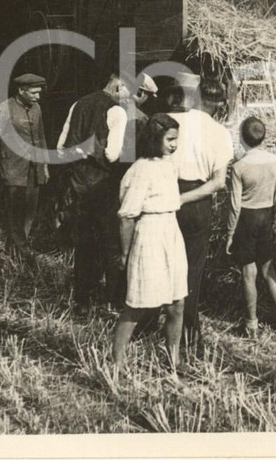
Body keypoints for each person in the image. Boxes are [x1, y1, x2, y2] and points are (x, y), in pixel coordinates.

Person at [112, 113, 188, 370]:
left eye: (176, 139)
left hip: (171, 232)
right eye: (169, 139)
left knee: (177, 303)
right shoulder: (140, 170)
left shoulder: (170, 165)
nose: (174, 145)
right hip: (149, 234)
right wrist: (126, 252)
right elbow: (126, 216)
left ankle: (173, 359)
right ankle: (118, 363)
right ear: (155, 139)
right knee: (139, 303)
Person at [166, 72, 234, 350]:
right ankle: (187, 334)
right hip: (197, 202)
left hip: (165, 195)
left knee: (160, 262)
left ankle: (146, 323)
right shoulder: (220, 132)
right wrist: (185, 198)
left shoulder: (169, 122)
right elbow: (218, 183)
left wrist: (173, 197)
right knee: (192, 270)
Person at [57, 71, 130, 314]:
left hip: (78, 183)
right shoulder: (117, 111)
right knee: (111, 244)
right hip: (103, 185)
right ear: (119, 86)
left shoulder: (77, 104)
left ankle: (82, 301)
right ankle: (113, 300)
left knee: (84, 244)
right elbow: (112, 154)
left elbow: (60, 149)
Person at [226, 117, 276, 338]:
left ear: (242, 138)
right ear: (263, 137)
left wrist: (230, 233)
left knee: (248, 274)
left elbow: (235, 205)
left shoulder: (239, 166)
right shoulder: (273, 162)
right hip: (266, 216)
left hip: (247, 218)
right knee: (269, 270)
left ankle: (251, 323)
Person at [0, 73, 49, 267]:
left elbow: (41, 137)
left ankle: (15, 252)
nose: (38, 96)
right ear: (21, 91)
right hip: (12, 169)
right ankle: (25, 253)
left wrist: (44, 166)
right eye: (34, 93)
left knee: (29, 212)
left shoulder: (36, 108)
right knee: (15, 212)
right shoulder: (4, 109)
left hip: (34, 169)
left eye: (39, 93)